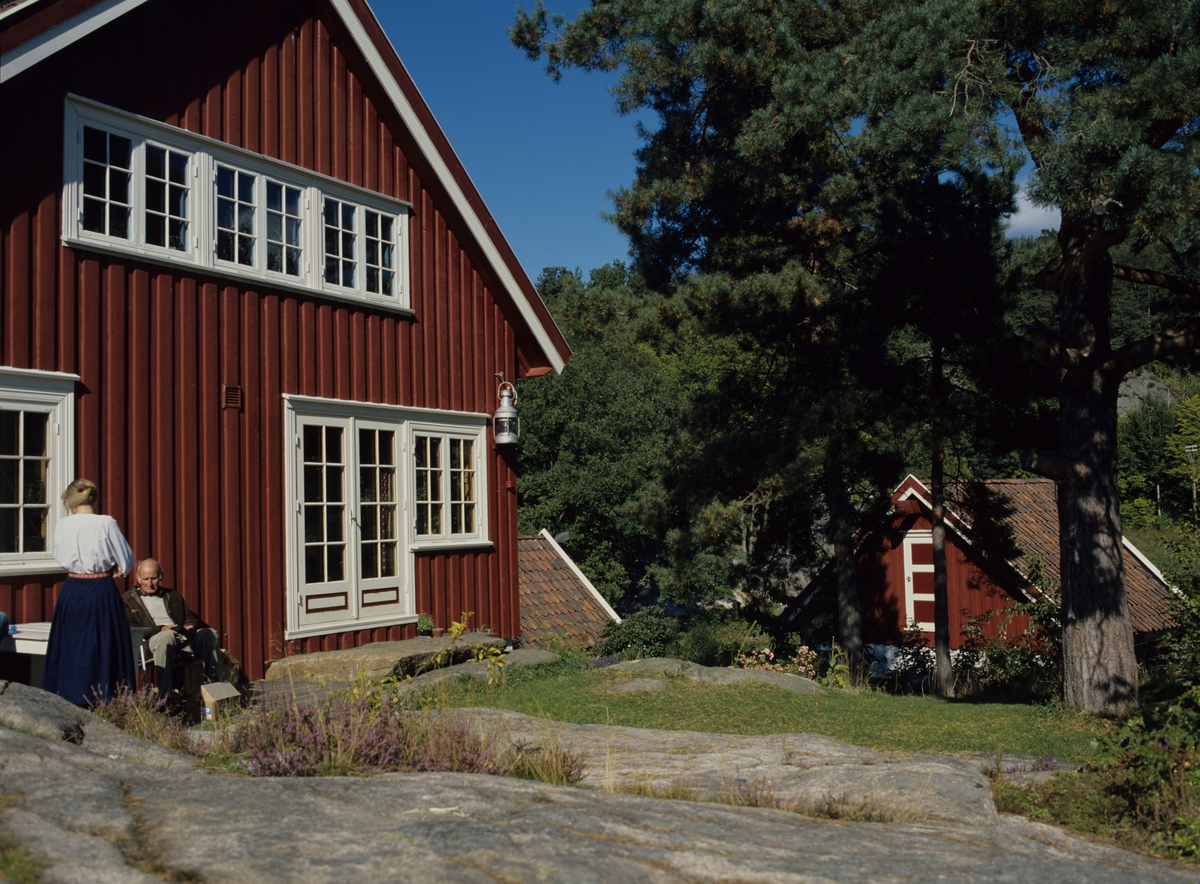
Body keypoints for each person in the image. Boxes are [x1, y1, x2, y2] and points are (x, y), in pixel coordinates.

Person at [42, 478, 136, 705]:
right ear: (94, 499)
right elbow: (126, 560)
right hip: (100, 589)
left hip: (72, 589)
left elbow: (59, 556)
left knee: (72, 646)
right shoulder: (105, 523)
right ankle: (105, 699)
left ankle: (68, 697)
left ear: (70, 500)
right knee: (103, 644)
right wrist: (118, 569)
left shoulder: (63, 524)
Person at [122, 558, 220, 695]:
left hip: (181, 637)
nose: (149, 583)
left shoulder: (172, 595)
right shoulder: (128, 599)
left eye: (153, 578)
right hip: (150, 642)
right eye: (145, 579)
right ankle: (166, 695)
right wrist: (161, 629)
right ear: (138, 579)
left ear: (161, 577)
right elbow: (131, 627)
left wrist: (189, 627)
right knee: (166, 637)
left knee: (209, 633)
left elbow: (189, 618)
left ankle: (215, 688)